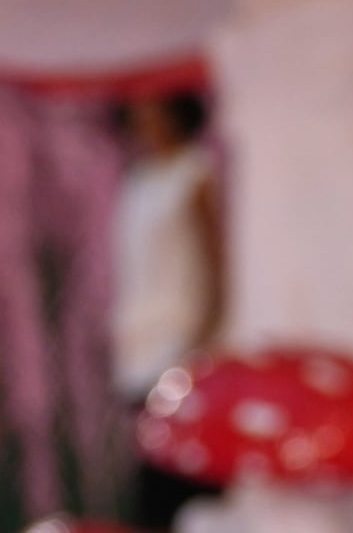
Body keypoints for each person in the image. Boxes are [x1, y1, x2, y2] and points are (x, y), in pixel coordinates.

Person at [104, 91, 224, 529]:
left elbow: (217, 264)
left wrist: (206, 337)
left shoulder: (195, 174)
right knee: (153, 464)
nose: (143, 122)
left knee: (184, 469)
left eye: (152, 109)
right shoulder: (138, 179)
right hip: (139, 340)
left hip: (183, 340)